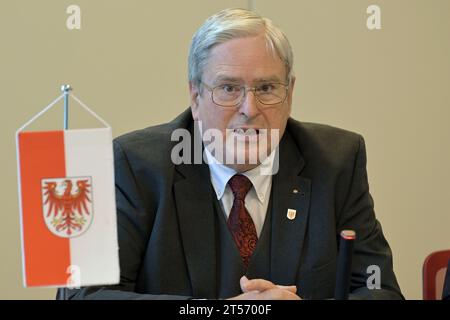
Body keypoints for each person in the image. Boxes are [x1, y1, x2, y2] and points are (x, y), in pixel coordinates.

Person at [62, 8, 403, 300]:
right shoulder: (135, 166)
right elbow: (82, 294)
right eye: (228, 88)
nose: (248, 108)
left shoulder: (336, 161)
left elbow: (380, 289)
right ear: (195, 97)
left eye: (267, 88)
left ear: (290, 93)